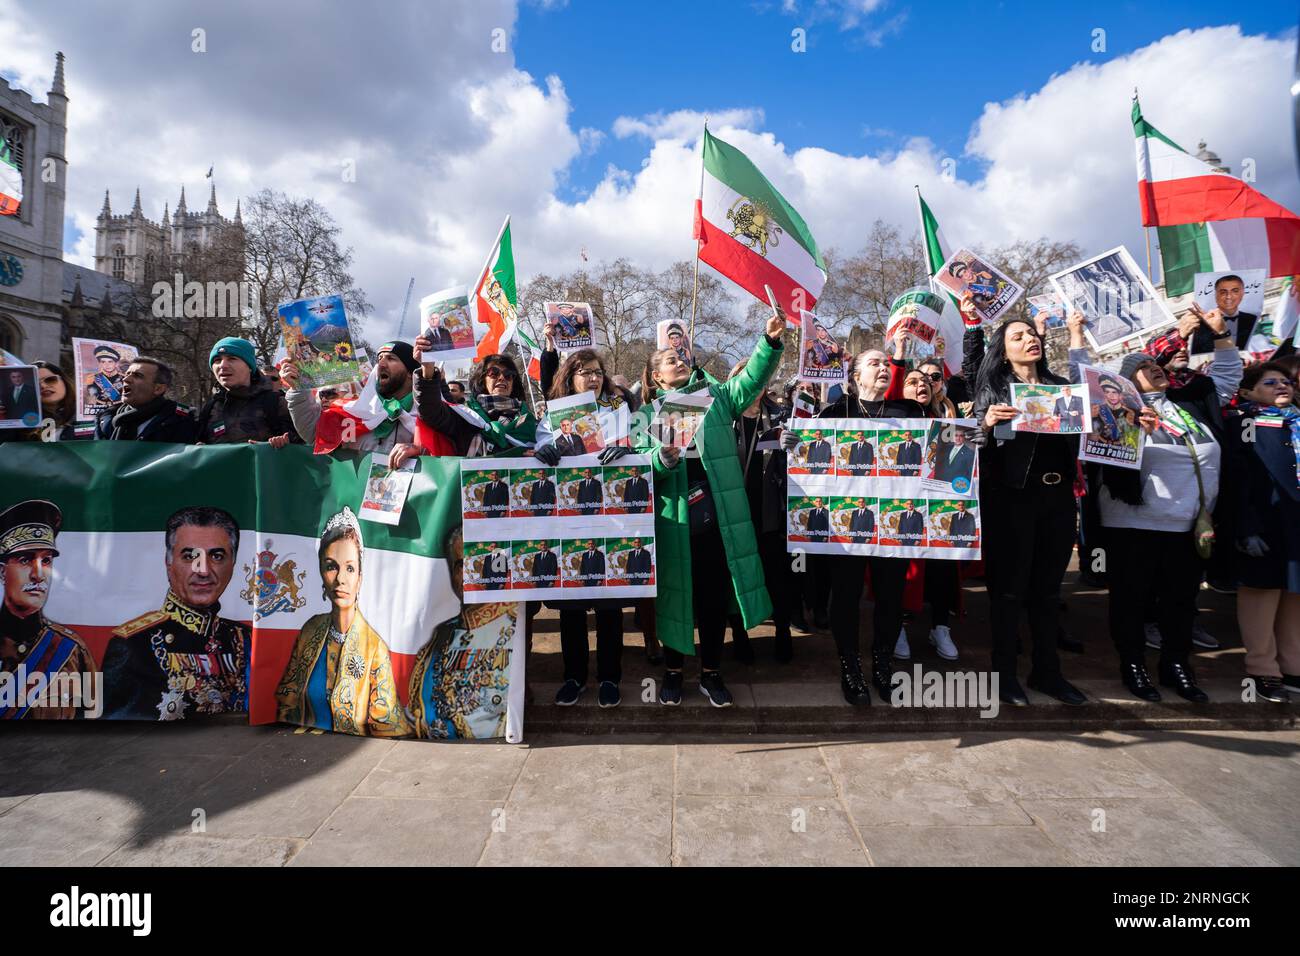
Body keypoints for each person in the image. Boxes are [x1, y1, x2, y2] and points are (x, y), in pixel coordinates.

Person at [637, 307, 785, 707]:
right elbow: (638, 468)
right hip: (675, 519)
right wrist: (661, 458)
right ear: (656, 377)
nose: (680, 360)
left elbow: (752, 379)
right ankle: (672, 672)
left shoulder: (717, 397)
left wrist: (769, 342)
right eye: (671, 359)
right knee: (675, 596)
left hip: (719, 516)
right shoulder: (646, 416)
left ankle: (712, 673)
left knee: (713, 597)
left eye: (683, 355)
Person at [788, 346, 926, 705]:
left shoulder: (911, 412)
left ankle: (882, 665)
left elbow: (936, 455)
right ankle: (850, 666)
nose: (883, 368)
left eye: (886, 363)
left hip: (893, 525)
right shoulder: (834, 413)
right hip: (846, 526)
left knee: (891, 596)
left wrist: (967, 442)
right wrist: (792, 443)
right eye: (874, 363)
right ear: (855, 377)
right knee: (845, 595)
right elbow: (811, 457)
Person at [975, 316, 1086, 707]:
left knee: (1047, 592)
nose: (1029, 340)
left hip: (1057, 501)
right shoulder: (994, 390)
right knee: (1008, 592)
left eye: (1032, 334)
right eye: (1017, 337)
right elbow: (968, 447)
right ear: (1003, 353)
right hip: (1011, 501)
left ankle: (1047, 672)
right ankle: (1004, 676)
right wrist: (985, 424)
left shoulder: (1064, 389)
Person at [532, 349, 634, 707]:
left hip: (611, 518)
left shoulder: (619, 410)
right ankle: (573, 676)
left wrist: (627, 451)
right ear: (569, 378)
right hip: (567, 521)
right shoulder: (551, 417)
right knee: (571, 606)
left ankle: (609, 677)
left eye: (597, 372)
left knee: (609, 606)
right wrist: (543, 453)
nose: (592, 378)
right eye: (583, 372)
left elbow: (638, 448)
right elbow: (540, 450)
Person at [101, 506, 248, 720]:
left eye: (216, 556)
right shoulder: (134, 644)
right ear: (168, 563)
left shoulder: (244, 639)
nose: (203, 570)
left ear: (233, 563)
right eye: (189, 556)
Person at [275, 507, 410, 736]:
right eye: (331, 567)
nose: (340, 579)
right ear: (321, 572)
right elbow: (288, 699)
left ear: (360, 577)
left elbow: (387, 724)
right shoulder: (311, 630)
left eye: (349, 568)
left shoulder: (373, 647)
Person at [1225, 361, 1299, 703]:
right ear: (1247, 392)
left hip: (1296, 525)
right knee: (1262, 597)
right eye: (1270, 382)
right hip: (1264, 524)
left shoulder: (1296, 423)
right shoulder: (1244, 423)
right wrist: (1246, 528)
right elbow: (1239, 480)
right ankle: (1262, 671)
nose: (1282, 386)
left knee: (1295, 599)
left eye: (1286, 382)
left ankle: (1293, 667)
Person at [408, 526, 516, 739]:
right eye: (460, 565)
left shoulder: (514, 624)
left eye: (477, 563)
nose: (468, 574)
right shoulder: (440, 636)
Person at [0, 500, 95, 719]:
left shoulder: (72, 651)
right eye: (25, 560)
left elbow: (95, 728)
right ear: (2, 572)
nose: (38, 574)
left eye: (46, 561)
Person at [284, 340, 428, 466]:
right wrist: (297, 387)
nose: (381, 364)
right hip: (358, 496)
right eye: (380, 359)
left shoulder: (430, 416)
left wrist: (420, 451)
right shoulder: (357, 412)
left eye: (391, 358)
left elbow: (446, 455)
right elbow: (313, 433)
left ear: (411, 373)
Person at [413, 347, 537, 456]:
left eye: (508, 375)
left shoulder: (528, 420)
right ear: (482, 380)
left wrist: (545, 451)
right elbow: (430, 411)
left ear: (513, 383)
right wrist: (428, 371)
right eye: (494, 373)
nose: (501, 378)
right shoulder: (466, 416)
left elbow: (544, 444)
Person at [197, 337, 297, 446]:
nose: (223, 365)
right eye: (217, 360)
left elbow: (304, 446)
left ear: (249, 366)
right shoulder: (209, 408)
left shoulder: (275, 403)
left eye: (232, 359)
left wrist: (285, 443)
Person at [94, 358, 196, 442]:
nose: (125, 379)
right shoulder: (106, 418)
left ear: (158, 389)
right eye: (127, 374)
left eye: (138, 375)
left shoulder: (181, 419)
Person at [1190, 275, 1256, 354]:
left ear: (1242, 293)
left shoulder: (1253, 319)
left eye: (1235, 291)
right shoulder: (1203, 325)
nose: (1229, 296)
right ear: (1215, 295)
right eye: (1223, 292)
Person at [84, 344, 125, 412]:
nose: (107, 365)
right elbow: (91, 398)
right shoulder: (92, 379)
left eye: (110, 361)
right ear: (99, 364)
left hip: (120, 411)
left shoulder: (125, 378)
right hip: (100, 412)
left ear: (116, 363)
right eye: (103, 362)